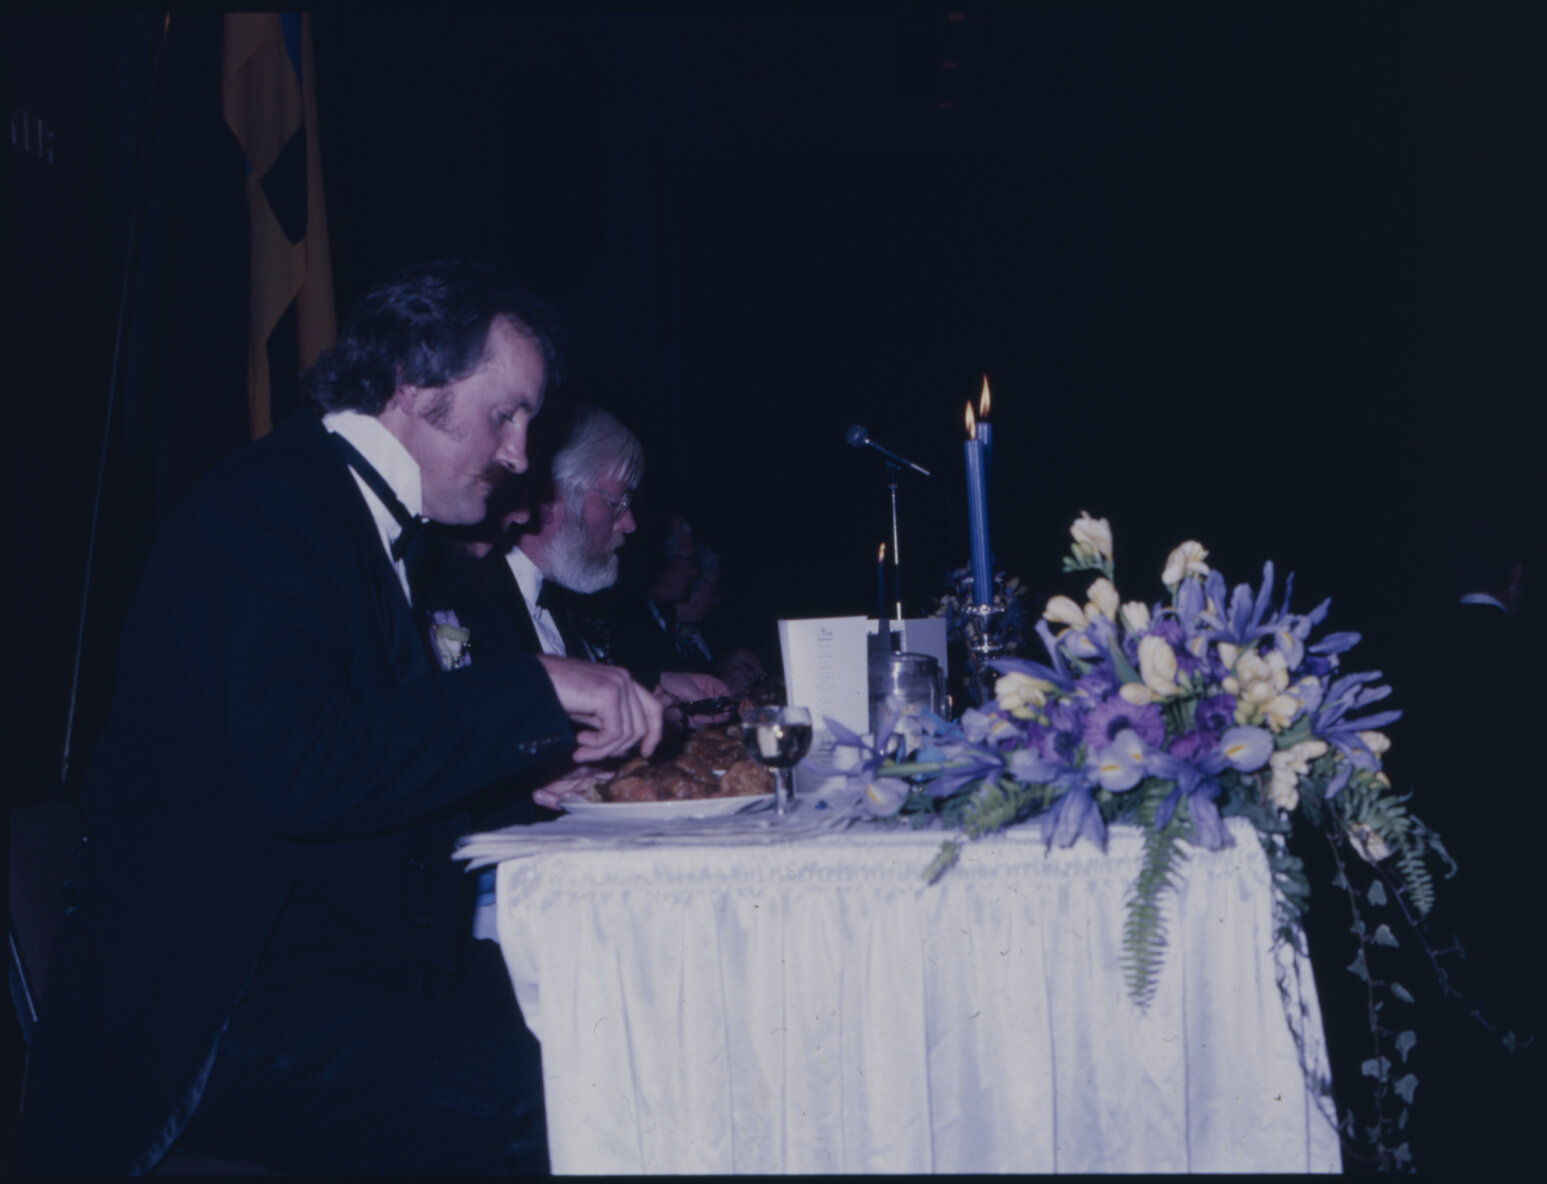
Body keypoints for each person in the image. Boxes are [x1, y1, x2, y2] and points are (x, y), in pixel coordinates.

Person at [20, 260, 663, 1175]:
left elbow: (368, 756)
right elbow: (305, 772)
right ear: (413, 386)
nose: (521, 454)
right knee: (567, 1096)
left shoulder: (349, 512)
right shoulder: (268, 509)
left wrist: (521, 780)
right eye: (505, 414)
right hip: (214, 1002)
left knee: (621, 1019)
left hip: (339, 958)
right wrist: (531, 685)